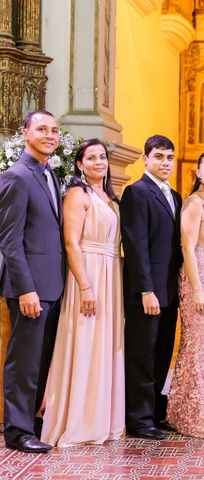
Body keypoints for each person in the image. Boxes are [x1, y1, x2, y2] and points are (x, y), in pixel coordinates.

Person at [41, 139, 125, 446]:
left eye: (102, 156)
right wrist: (85, 285)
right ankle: (80, 420)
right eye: (91, 158)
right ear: (80, 164)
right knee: (87, 341)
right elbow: (71, 243)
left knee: (106, 344)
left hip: (111, 273)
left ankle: (103, 418)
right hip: (88, 273)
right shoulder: (78, 194)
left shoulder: (110, 197)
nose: (99, 162)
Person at [0, 110, 65, 453]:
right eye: (42, 129)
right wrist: (26, 289)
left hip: (51, 285)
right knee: (23, 361)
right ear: (25, 132)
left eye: (54, 130)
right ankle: (17, 431)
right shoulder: (16, 176)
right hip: (30, 289)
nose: (50, 135)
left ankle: (33, 423)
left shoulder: (49, 175)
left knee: (40, 360)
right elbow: (9, 240)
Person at [121, 135, 182, 440]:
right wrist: (146, 290)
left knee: (161, 354)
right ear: (146, 159)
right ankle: (138, 419)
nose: (165, 163)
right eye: (159, 157)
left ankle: (156, 412)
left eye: (169, 157)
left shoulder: (176, 196)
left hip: (169, 291)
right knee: (141, 356)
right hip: (146, 293)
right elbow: (136, 246)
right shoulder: (136, 192)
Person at [167, 151, 204, 438]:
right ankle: (194, 417)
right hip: (199, 281)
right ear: (198, 172)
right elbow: (187, 248)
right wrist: (198, 290)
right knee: (200, 348)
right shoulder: (194, 203)